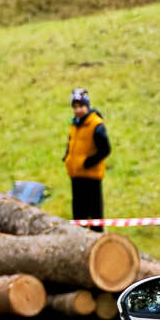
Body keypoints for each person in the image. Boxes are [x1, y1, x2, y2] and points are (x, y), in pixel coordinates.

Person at [64, 88, 111, 232]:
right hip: (76, 175)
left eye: (81, 106)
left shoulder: (96, 125)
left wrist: (88, 162)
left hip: (91, 177)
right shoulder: (75, 124)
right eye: (75, 107)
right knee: (79, 215)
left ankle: (98, 239)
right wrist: (67, 157)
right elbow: (71, 143)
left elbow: (105, 149)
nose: (78, 110)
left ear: (87, 106)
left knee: (95, 215)